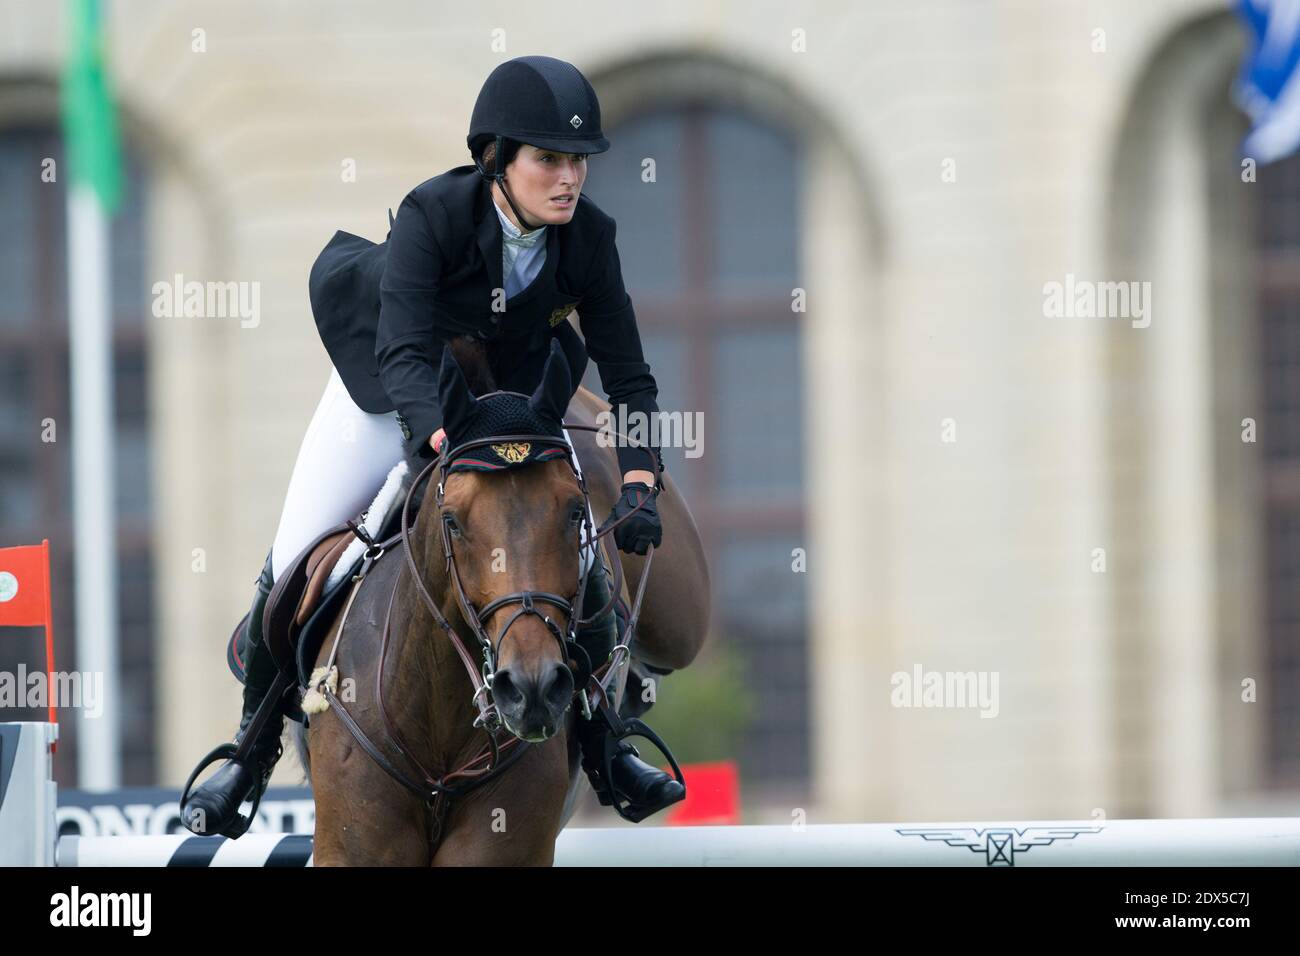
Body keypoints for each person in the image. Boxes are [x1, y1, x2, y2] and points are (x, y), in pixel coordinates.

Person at [181, 55, 684, 837]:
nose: (569, 179)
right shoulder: (434, 215)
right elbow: (405, 354)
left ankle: (605, 742)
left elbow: (629, 371)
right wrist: (433, 439)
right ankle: (249, 753)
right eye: (548, 160)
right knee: (298, 562)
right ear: (498, 159)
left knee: (577, 554)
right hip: (386, 395)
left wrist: (645, 481)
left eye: (577, 162)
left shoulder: (590, 238)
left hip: (509, 405)